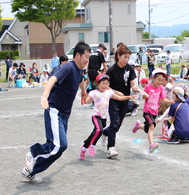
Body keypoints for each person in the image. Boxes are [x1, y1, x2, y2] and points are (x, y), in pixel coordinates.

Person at [21, 41, 90, 183]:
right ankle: (33, 153)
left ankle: (30, 171)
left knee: (58, 149)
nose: (87, 61)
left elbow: (80, 80)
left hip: (64, 114)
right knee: (60, 145)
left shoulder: (79, 70)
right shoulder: (69, 67)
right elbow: (52, 78)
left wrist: (83, 92)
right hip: (55, 110)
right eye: (86, 57)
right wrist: (45, 96)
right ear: (77, 55)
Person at [79, 74, 136, 160]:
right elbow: (86, 100)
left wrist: (129, 97)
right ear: (98, 84)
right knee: (99, 130)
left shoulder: (109, 92)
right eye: (103, 83)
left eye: (107, 83)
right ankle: (92, 147)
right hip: (96, 116)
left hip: (104, 117)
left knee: (95, 133)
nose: (105, 85)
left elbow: (119, 98)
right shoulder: (93, 93)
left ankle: (84, 148)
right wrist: (84, 98)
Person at [101, 43, 139, 158]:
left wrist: (135, 88)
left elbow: (133, 83)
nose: (126, 60)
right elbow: (105, 86)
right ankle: (110, 148)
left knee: (117, 126)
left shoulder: (130, 69)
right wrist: (116, 92)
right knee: (115, 123)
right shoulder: (111, 70)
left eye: (128, 57)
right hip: (113, 99)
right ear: (118, 56)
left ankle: (105, 132)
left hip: (125, 100)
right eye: (124, 57)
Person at [132, 69, 173, 152]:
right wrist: (145, 96)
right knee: (152, 126)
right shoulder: (148, 86)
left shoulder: (161, 88)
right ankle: (151, 145)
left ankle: (138, 126)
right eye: (158, 80)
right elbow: (143, 97)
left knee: (148, 129)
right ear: (153, 78)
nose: (160, 82)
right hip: (147, 111)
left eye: (162, 80)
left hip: (155, 112)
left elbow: (163, 98)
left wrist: (170, 102)